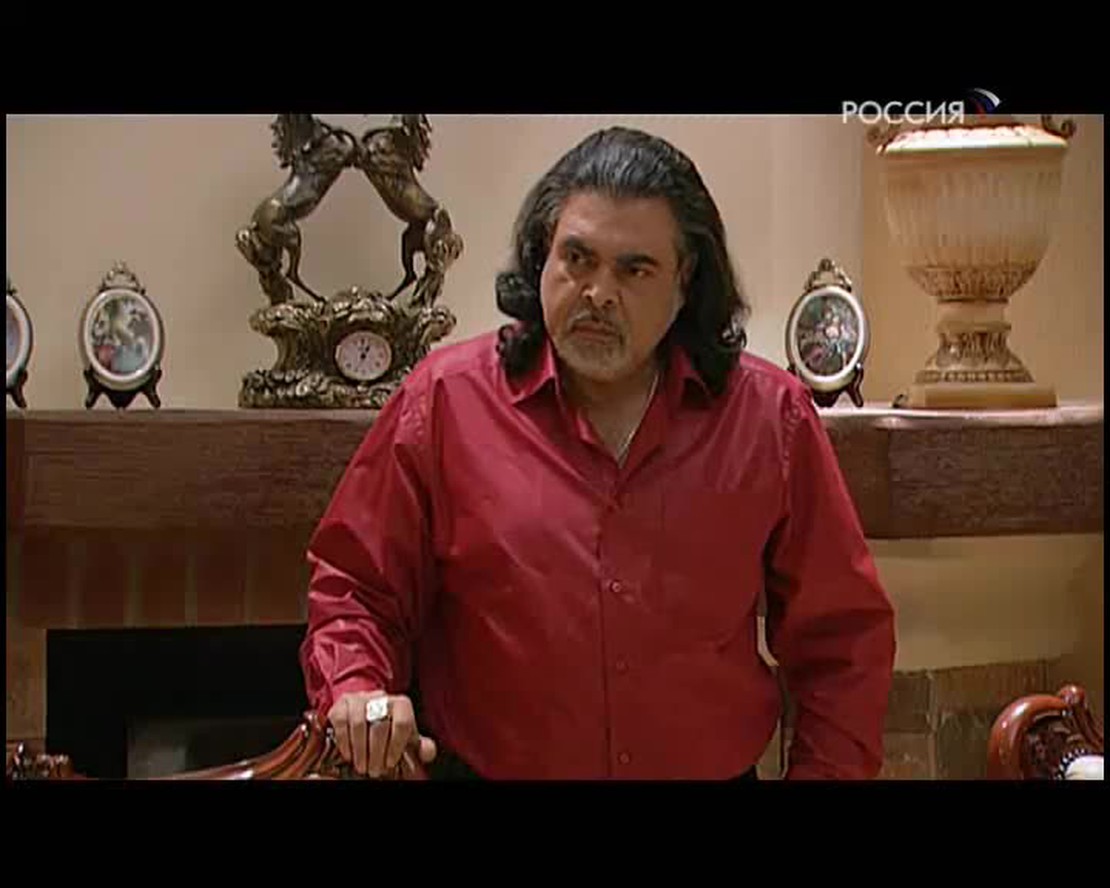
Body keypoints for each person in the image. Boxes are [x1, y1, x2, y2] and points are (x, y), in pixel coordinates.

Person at [299, 126, 895, 780]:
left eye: (634, 270)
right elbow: (357, 588)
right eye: (577, 259)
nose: (598, 294)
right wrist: (357, 688)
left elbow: (843, 641)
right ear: (541, 258)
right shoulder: (444, 403)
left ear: (686, 279)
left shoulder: (769, 419)